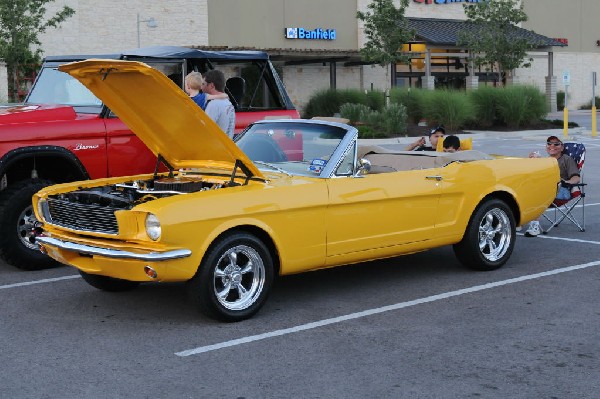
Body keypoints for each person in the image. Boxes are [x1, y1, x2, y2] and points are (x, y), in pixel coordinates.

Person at [524, 135, 581, 237]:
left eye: (556, 144)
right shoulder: (545, 161)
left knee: (538, 192)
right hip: (545, 189)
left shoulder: (566, 159)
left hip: (562, 190)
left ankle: (535, 226)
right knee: (524, 188)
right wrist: (532, 163)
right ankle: (519, 220)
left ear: (562, 148)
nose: (552, 146)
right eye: (549, 143)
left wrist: (566, 182)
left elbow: (576, 178)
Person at [202, 69, 236, 138]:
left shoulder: (213, 104)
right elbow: (230, 131)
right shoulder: (228, 103)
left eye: (203, 84)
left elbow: (205, 130)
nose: (201, 87)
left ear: (211, 86)